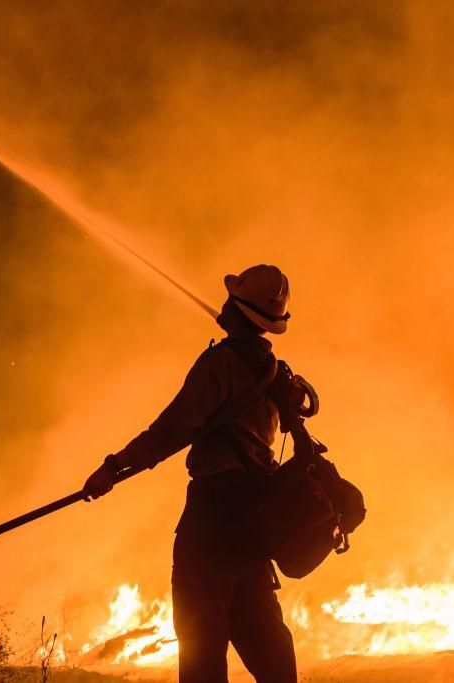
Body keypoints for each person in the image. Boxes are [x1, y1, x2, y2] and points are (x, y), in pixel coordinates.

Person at [83, 264, 297, 683]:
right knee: (261, 630)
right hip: (253, 518)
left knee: (200, 637)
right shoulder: (273, 371)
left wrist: (113, 466)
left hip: (213, 516)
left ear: (235, 309)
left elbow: (174, 428)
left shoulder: (221, 364)